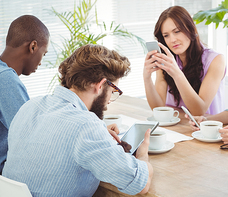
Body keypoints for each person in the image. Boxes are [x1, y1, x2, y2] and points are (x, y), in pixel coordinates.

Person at [2, 44, 153, 196]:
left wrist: (100, 135)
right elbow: (141, 184)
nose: (109, 100)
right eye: (113, 91)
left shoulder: (30, 107)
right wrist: (142, 155)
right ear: (100, 85)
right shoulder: (85, 126)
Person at [143, 6, 226, 116]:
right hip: (179, 127)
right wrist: (147, 78)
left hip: (206, 129)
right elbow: (158, 108)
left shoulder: (216, 60)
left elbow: (199, 111)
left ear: (191, 29)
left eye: (177, 31)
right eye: (166, 35)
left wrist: (177, 73)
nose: (172, 40)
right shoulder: (167, 60)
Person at [0, 15, 49, 173]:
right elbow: (31, 135)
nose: (41, 62)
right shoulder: (5, 79)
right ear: (33, 46)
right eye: (44, 53)